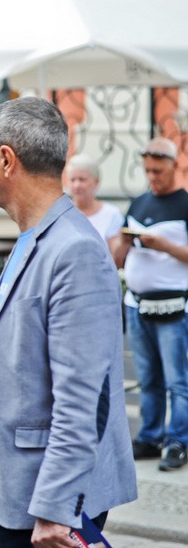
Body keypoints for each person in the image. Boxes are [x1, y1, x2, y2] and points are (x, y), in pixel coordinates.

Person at [0, 96, 137, 547]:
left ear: (6, 160)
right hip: (10, 489)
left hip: (42, 506)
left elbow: (83, 398)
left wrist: (56, 508)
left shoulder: (74, 250)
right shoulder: (35, 238)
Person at [111, 137, 188, 472]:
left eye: (158, 170)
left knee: (177, 380)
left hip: (174, 305)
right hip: (137, 303)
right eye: (147, 171)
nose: (152, 177)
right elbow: (117, 258)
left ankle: (178, 441)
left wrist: (163, 245)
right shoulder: (139, 202)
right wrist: (124, 243)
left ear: (174, 166)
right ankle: (150, 435)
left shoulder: (184, 204)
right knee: (148, 377)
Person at [65, 153, 122, 241]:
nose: (76, 185)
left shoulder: (111, 215)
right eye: (72, 180)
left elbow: (116, 254)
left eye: (82, 179)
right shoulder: (62, 214)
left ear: (96, 182)